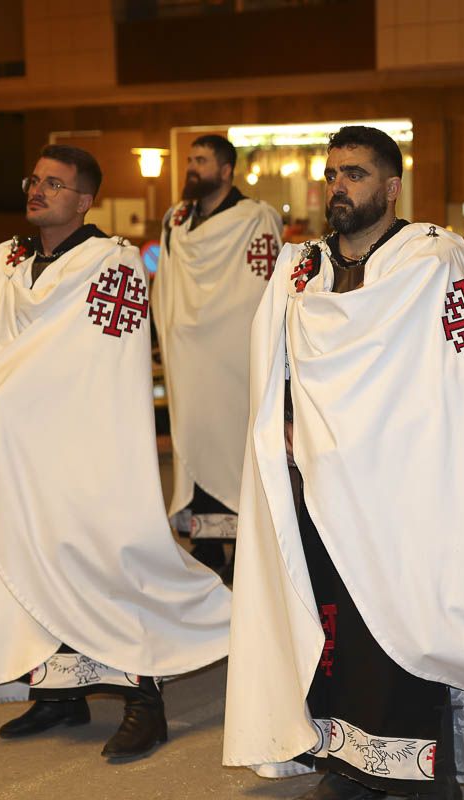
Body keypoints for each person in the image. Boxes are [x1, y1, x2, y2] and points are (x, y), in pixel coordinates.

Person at [225, 127, 464, 800]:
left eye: (354, 173)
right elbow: (276, 358)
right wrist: (285, 416)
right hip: (317, 477)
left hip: (402, 475)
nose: (337, 186)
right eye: (331, 174)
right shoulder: (301, 265)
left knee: (402, 617)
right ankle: (347, 757)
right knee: (334, 618)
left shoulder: (430, 256)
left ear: (391, 186)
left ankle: (412, 764)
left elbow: (453, 374)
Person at [0, 145, 231, 760]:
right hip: (18, 449)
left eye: (54, 184)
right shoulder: (5, 261)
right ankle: (59, 694)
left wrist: (30, 392)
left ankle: (146, 702)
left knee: (102, 564)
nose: (38, 191)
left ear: (84, 200)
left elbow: (106, 361)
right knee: (30, 560)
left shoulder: (111, 262)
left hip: (84, 444)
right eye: (34, 180)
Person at [152, 134, 283, 579]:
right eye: (190, 159)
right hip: (188, 356)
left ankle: (245, 546)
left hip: (232, 353)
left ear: (226, 170)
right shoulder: (176, 219)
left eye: (202, 160)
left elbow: (261, 286)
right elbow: (165, 285)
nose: (192, 166)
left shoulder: (255, 217)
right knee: (194, 438)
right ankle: (206, 545)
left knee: (233, 440)